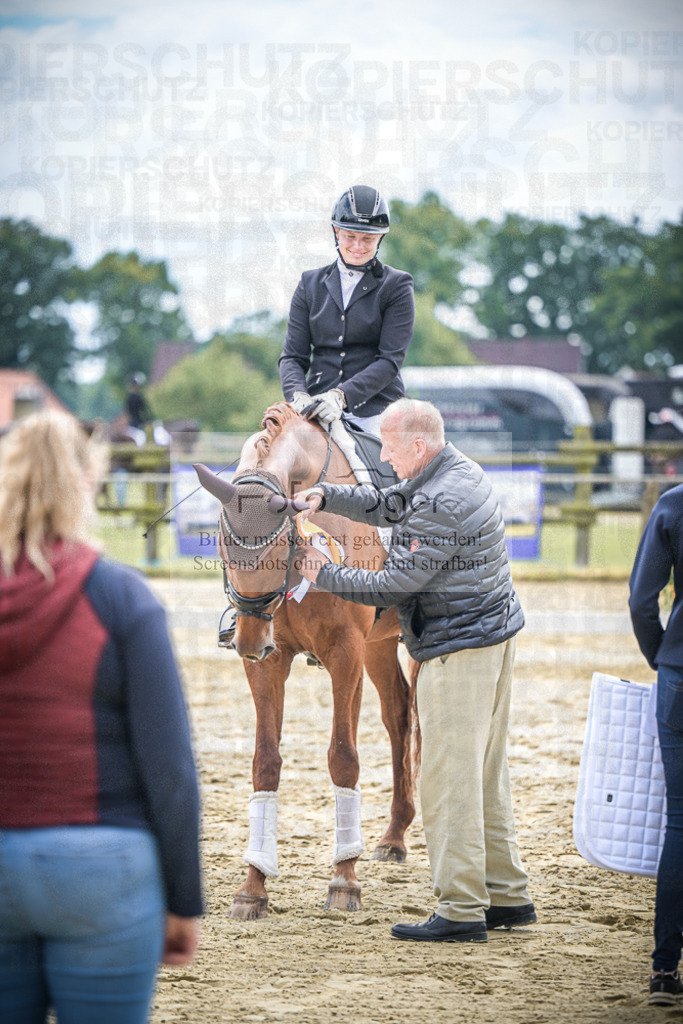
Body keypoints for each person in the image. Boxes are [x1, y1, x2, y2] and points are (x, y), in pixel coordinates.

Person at [294, 397, 536, 942]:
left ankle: (461, 908)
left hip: (457, 648)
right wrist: (326, 495)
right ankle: (507, 896)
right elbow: (386, 503)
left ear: (419, 446)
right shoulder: (452, 472)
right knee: (485, 775)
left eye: (390, 446)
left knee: (446, 780)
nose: (384, 457)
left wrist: (323, 570)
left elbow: (389, 587)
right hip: (488, 640)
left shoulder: (440, 500)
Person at [0, 411, 203, 1024]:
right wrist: (183, 899)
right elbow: (170, 770)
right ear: (88, 482)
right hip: (104, 862)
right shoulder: (121, 596)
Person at [278, 183, 415, 438]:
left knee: (396, 470)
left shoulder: (397, 285)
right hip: (316, 408)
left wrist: (341, 397)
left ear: (380, 238)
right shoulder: (309, 284)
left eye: (368, 239)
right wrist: (298, 395)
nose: (358, 246)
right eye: (350, 236)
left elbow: (390, 360)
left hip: (376, 411)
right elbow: (292, 357)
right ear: (336, 232)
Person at [629, 484, 683, 1006]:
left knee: (680, 821)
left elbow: (642, 601)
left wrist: (662, 657)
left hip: (680, 671)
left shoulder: (674, 502)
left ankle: (664, 968)